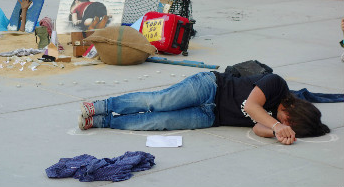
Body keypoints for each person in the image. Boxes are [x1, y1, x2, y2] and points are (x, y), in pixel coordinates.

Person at [78, 72, 331, 145]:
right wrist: (277, 125)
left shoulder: (277, 123)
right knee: (159, 101)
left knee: (156, 122)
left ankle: (101, 122)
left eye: (289, 127)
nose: (284, 123)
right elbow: (253, 107)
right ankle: (100, 106)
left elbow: (256, 127)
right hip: (210, 87)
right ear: (293, 108)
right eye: (289, 121)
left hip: (210, 116)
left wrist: (276, 133)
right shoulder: (277, 85)